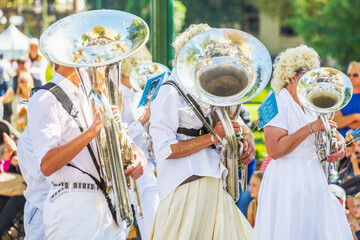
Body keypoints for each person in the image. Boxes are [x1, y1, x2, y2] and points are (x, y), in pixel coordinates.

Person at [148, 24, 257, 239]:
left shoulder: (205, 89)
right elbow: (164, 149)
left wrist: (245, 132)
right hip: (185, 188)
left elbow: (228, 120)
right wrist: (213, 136)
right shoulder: (168, 91)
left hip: (215, 182)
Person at [27, 64, 147, 239]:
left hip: (107, 205)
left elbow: (121, 138)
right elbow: (47, 164)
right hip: (73, 205)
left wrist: (138, 157)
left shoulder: (92, 96)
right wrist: (91, 132)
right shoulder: (45, 97)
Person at [254, 45, 352, 240]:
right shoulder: (274, 100)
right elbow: (274, 150)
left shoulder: (311, 99)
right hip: (286, 178)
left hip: (314, 175)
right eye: (307, 76)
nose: (312, 81)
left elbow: (329, 128)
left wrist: (339, 144)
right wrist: (309, 128)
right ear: (291, 76)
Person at [120, 47, 160, 239]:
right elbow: (117, 135)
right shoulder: (118, 94)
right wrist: (144, 120)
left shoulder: (137, 93)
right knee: (118, 231)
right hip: (123, 172)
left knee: (153, 228)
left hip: (146, 170)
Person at [333, 61, 360, 137]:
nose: (351, 78)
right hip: (342, 144)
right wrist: (355, 116)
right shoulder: (340, 95)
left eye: (355, 75)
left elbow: (339, 122)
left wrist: (345, 121)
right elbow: (335, 122)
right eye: (348, 74)